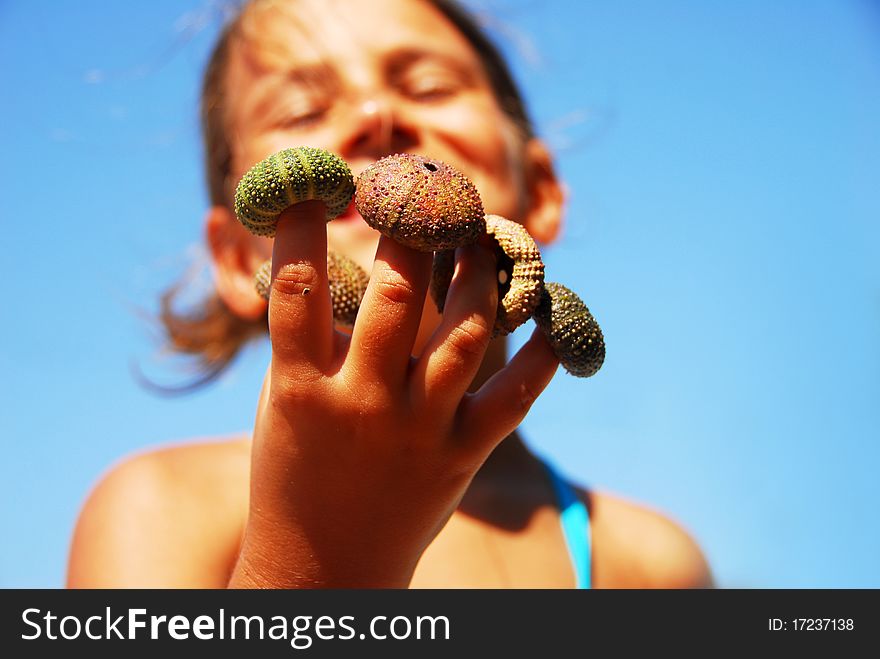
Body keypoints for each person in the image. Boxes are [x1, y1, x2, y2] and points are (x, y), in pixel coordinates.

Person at [67, 0, 712, 588]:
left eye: (430, 88)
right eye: (302, 111)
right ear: (238, 259)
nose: (376, 117)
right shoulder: (160, 506)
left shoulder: (647, 561)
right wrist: (323, 549)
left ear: (540, 192)